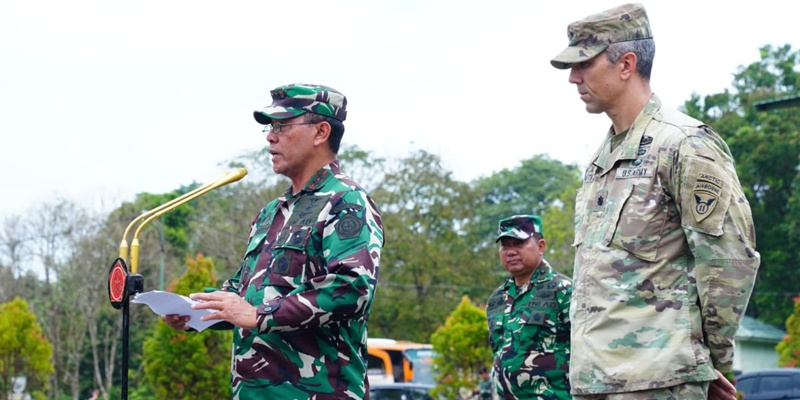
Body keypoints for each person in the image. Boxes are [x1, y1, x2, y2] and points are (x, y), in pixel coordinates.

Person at [550, 4, 759, 400]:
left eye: (584, 64)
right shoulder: (600, 161)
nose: (574, 77)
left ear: (626, 64)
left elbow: (729, 259)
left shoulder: (684, 144)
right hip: (595, 382)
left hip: (658, 382)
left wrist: (704, 362)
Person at [162, 83, 384, 399]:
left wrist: (259, 316)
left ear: (321, 132)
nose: (271, 137)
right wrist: (193, 312)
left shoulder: (346, 201)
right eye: (270, 127)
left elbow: (352, 288)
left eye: (282, 125)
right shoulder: (271, 213)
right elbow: (246, 295)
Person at [485, 215, 572, 399]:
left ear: (541, 247)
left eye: (518, 243)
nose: (510, 252)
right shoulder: (496, 299)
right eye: (505, 246)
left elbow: (588, 352)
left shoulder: (563, 290)